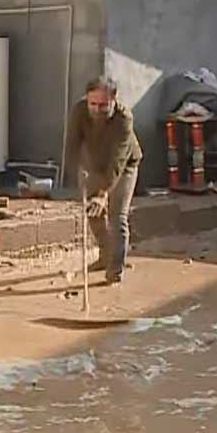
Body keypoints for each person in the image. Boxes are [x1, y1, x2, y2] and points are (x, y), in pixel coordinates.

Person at [64, 77, 142, 284]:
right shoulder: (79, 111)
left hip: (124, 166)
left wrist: (102, 194)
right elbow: (72, 145)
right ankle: (106, 255)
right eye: (93, 104)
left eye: (103, 106)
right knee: (93, 212)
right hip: (95, 165)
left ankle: (115, 270)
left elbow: (118, 161)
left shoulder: (124, 118)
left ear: (114, 100)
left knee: (117, 217)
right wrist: (77, 172)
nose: (97, 110)